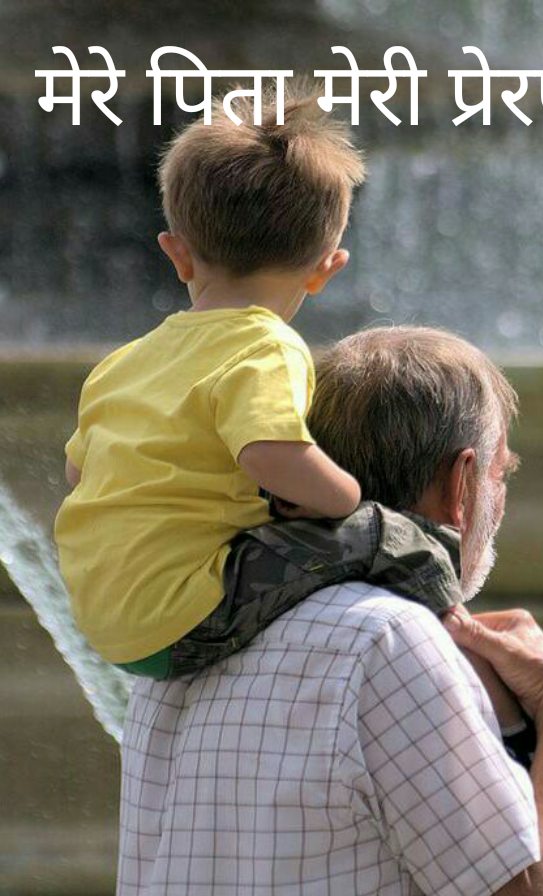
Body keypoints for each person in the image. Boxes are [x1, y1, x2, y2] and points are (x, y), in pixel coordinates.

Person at [111, 326, 543, 896]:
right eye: (501, 474)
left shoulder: (186, 634)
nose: (503, 499)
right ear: (461, 484)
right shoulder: (388, 642)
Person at [53, 81, 364, 678]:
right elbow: (269, 454)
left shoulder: (125, 362)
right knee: (384, 538)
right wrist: (348, 497)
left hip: (104, 623)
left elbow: (77, 474)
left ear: (177, 254)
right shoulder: (268, 347)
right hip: (187, 617)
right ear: (327, 269)